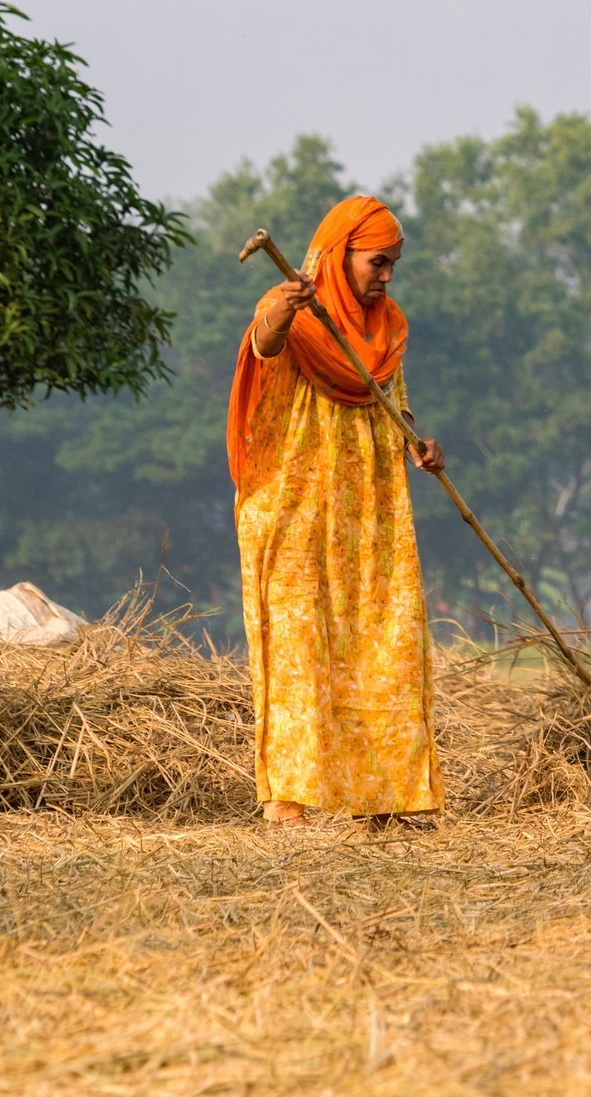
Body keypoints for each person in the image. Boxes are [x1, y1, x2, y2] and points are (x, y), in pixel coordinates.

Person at [226, 194, 446, 827]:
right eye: (378, 262)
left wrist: (419, 443)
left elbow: (392, 403)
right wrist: (286, 308)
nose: (386, 276)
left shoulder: (387, 328)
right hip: (292, 507)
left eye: (393, 265)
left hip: (370, 513)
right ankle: (287, 804)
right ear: (341, 255)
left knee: (383, 641)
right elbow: (265, 344)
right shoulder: (287, 309)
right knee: (297, 645)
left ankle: (382, 798)